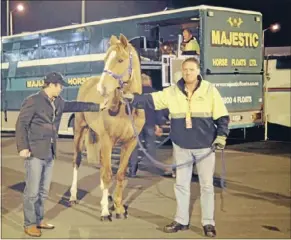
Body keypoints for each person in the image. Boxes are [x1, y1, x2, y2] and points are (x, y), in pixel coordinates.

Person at [123, 57, 229, 237]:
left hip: (205, 147)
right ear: (182, 71)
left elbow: (222, 116)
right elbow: (152, 99)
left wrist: (221, 137)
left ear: (198, 71)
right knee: (181, 185)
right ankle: (181, 220)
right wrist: (133, 98)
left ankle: (208, 223)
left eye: (191, 69)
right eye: (185, 69)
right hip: (181, 147)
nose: (188, 73)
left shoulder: (210, 90)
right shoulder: (172, 92)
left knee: (206, 186)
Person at [16, 72, 106, 237]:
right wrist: (22, 147)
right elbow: (21, 124)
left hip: (49, 152)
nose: (62, 89)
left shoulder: (58, 102)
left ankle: (39, 220)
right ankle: (29, 224)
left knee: (43, 190)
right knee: (32, 191)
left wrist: (97, 106)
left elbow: (76, 106)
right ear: (51, 85)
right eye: (60, 85)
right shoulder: (33, 101)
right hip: (35, 152)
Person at [128, 73, 165, 177]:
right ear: (149, 82)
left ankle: (132, 170)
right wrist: (159, 125)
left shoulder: (135, 95)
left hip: (136, 124)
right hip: (150, 124)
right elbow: (159, 111)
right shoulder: (155, 93)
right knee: (151, 145)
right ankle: (151, 168)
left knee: (134, 146)